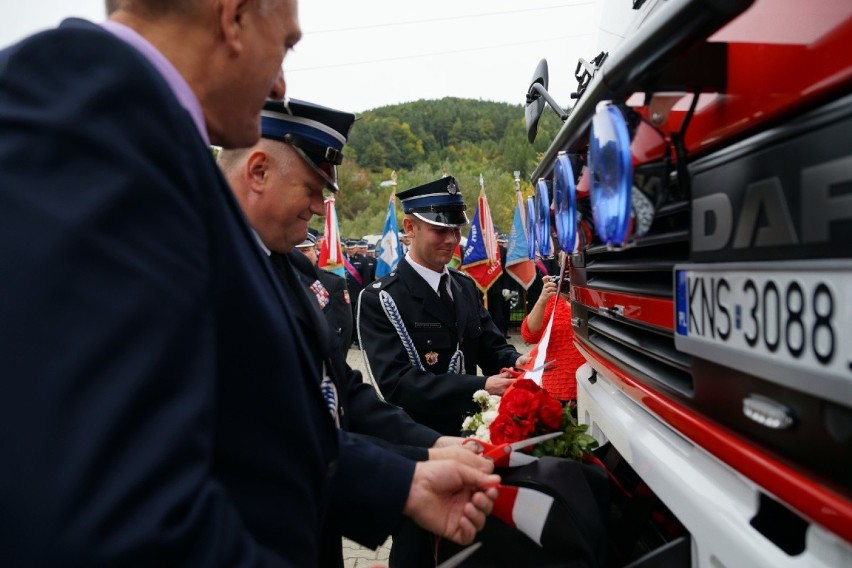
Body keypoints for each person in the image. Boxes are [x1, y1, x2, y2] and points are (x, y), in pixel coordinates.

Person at [0, 2, 497, 565]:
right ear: (233, 17)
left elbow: (246, 420)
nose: (280, 84)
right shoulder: (78, 128)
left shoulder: (144, 144)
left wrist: (401, 482)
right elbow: (99, 507)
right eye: (284, 46)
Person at [219, 98, 495, 567]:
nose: (319, 206)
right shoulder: (198, 273)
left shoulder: (289, 272)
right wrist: (405, 480)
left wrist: (432, 445)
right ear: (259, 171)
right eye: (311, 188)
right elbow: (263, 439)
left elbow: (340, 392)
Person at [357, 175, 531, 567]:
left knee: (469, 549)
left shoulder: (464, 287)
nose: (452, 240)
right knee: (417, 551)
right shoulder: (382, 298)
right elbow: (398, 385)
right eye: (440, 229)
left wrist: (515, 360)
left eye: (455, 229)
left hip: (471, 438)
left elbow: (490, 343)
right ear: (410, 227)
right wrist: (483, 384)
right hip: (421, 444)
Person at [520, 256, 585, 402]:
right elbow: (529, 335)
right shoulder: (553, 299)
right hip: (558, 387)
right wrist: (543, 299)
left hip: (592, 384)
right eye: (566, 272)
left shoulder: (595, 293)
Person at [295, 230, 353, 357]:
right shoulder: (281, 279)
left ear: (316, 251)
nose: (301, 255)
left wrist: (338, 362)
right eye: (296, 251)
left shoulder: (333, 282)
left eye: (305, 250)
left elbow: (344, 326)